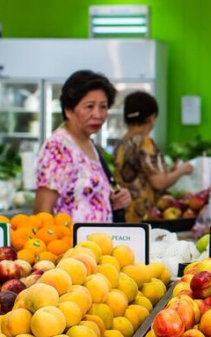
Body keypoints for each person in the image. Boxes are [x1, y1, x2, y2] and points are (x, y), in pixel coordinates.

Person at [33, 70, 131, 222]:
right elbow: (42, 212)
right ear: (68, 110)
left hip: (97, 238)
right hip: (70, 237)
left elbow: (84, 194)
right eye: (89, 106)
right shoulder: (58, 147)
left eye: (103, 107)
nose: (98, 115)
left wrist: (113, 196)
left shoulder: (88, 143)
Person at [114, 91, 193, 223]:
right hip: (144, 216)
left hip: (124, 213)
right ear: (151, 118)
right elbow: (159, 183)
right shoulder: (144, 143)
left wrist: (170, 171)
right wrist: (182, 170)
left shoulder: (120, 144)